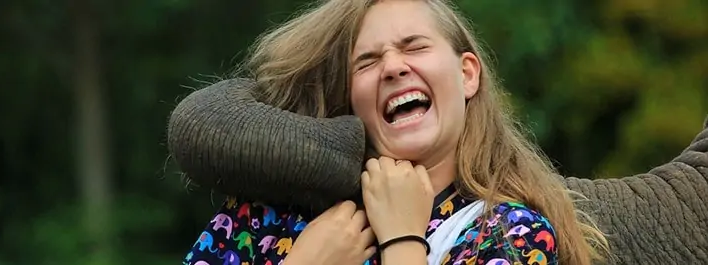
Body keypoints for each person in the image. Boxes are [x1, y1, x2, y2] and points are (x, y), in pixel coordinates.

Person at [182, 0, 610, 264]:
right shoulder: (267, 214)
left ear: (467, 75)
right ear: (349, 99)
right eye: (366, 62)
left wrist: (403, 240)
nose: (393, 66)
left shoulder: (510, 234)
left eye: (415, 46)